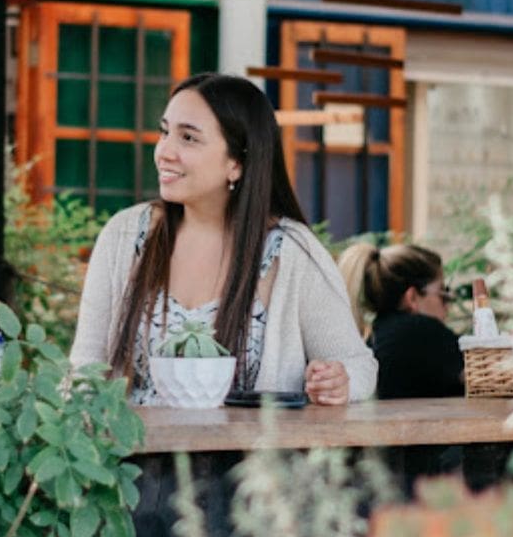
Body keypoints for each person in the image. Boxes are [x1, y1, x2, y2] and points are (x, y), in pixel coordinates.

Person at [70, 73, 377, 406]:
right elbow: (85, 370)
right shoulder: (124, 235)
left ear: (237, 164)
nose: (164, 152)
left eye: (188, 138)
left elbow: (359, 366)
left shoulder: (292, 251)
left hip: (249, 457)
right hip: (133, 455)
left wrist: (337, 382)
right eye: (165, 132)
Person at [337, 242, 464, 400]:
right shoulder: (422, 332)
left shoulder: (378, 335)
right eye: (442, 294)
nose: (447, 306)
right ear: (412, 297)